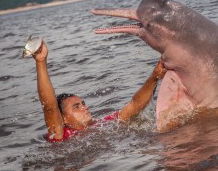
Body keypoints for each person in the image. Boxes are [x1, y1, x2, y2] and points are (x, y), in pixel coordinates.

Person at [33, 41, 167, 142]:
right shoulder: (60, 134)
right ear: (63, 118)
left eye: (83, 103)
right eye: (76, 107)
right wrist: (41, 62)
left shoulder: (103, 124)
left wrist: (155, 76)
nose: (84, 107)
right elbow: (50, 107)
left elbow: (134, 105)